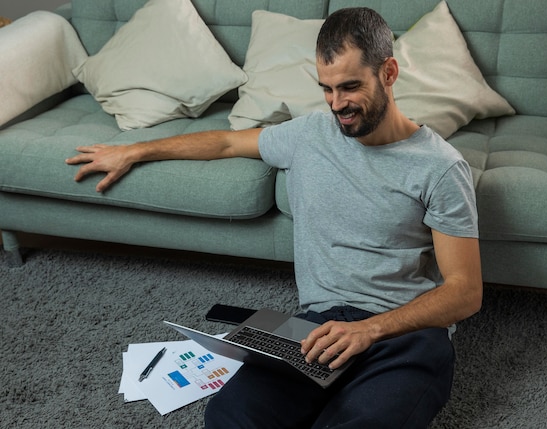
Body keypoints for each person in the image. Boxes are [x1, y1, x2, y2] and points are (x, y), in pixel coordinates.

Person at [66, 7, 482, 428]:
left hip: (404, 336)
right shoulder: (309, 135)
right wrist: (135, 150)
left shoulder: (440, 167)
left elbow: (465, 292)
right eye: (327, 89)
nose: (338, 104)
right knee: (229, 417)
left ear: (388, 73)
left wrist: (371, 330)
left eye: (350, 87)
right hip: (317, 329)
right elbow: (226, 143)